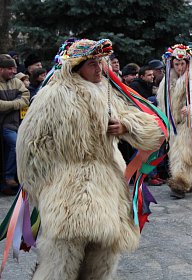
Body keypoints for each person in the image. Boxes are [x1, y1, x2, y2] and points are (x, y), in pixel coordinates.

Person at [16, 39, 163, 279]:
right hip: (68, 193)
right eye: (92, 64)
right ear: (76, 67)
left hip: (107, 188)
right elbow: (30, 146)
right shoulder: (53, 95)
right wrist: (43, 189)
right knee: (61, 261)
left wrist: (126, 126)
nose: (99, 69)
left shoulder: (107, 92)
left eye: (100, 63)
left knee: (104, 258)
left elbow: (150, 129)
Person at [157, 44, 192, 198]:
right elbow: (163, 104)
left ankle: (180, 184)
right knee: (178, 154)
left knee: (185, 153)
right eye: (176, 64)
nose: (180, 67)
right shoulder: (166, 82)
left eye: (183, 64)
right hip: (174, 125)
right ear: (171, 63)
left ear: (188, 62)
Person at [0, 54, 30, 196]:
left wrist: (9, 105)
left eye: (14, 68)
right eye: (10, 68)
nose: (13, 71)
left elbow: (26, 97)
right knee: (16, 145)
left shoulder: (16, 82)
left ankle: (12, 178)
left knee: (18, 145)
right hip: (6, 126)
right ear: (1, 69)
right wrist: (15, 104)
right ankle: (8, 178)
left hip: (13, 125)